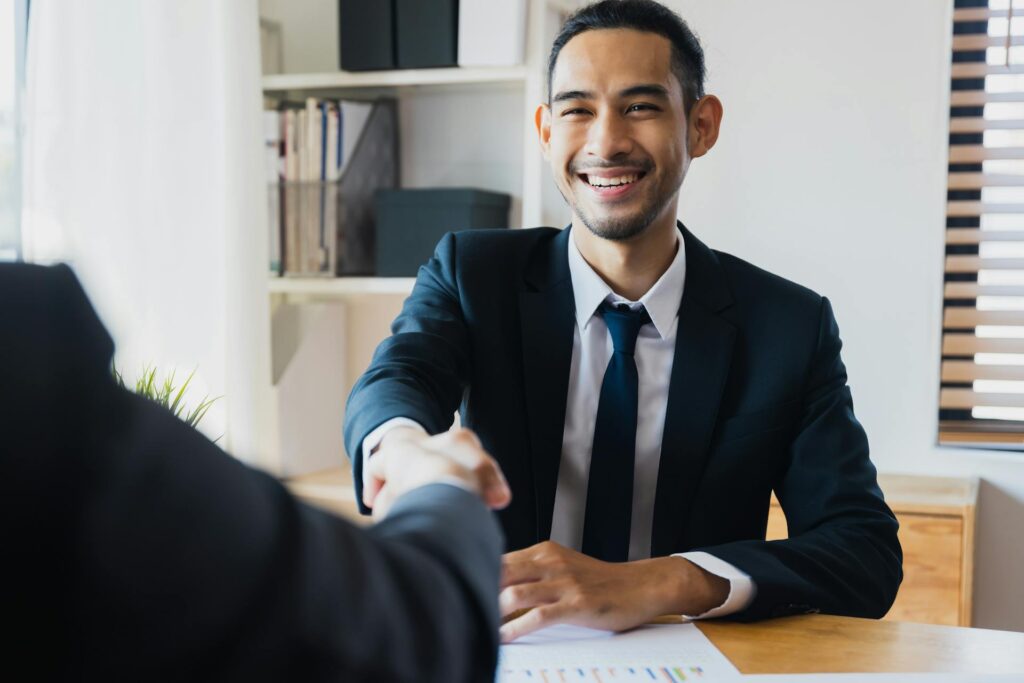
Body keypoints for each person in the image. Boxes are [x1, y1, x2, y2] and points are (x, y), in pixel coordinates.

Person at [345, 0, 902, 642]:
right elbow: (398, 378)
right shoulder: (472, 274)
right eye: (577, 109)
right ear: (547, 129)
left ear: (701, 125)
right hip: (504, 651)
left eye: (640, 106)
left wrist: (663, 582)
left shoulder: (788, 325)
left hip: (689, 659)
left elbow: (864, 554)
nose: (605, 142)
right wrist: (407, 450)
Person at [0, 262, 511, 681]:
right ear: (542, 131)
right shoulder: (34, 370)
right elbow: (413, 633)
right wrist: (423, 468)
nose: (597, 141)